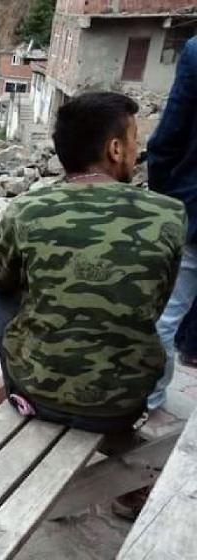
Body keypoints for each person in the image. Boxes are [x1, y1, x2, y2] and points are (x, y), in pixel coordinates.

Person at [0, 91, 185, 438]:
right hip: (126, 407)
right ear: (114, 149)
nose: (136, 151)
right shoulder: (169, 215)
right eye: (133, 142)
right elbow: (156, 303)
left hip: (36, 396)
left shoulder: (28, 209)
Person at [145, 37, 197, 409]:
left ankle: (149, 403)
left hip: (193, 207)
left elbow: (167, 138)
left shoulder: (196, 52)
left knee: (166, 312)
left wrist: (165, 201)